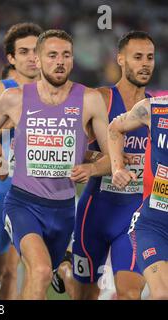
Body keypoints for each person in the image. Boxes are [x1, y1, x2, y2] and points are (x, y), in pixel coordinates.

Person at [0, 29, 111, 299]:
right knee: (39, 270)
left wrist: (91, 168)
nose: (60, 61)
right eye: (52, 55)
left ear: (73, 61)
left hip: (63, 210)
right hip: (22, 203)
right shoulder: (14, 98)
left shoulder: (90, 100)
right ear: (38, 61)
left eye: (66, 55)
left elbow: (113, 160)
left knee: (47, 270)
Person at [72, 31, 155, 300]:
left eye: (150, 58)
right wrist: (109, 161)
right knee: (84, 295)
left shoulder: (157, 110)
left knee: (130, 293)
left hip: (135, 218)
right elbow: (72, 149)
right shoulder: (101, 99)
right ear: (120, 59)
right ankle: (63, 269)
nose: (145, 64)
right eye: (138, 57)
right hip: (95, 212)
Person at [0, 22, 42, 300]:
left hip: (34, 194)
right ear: (11, 58)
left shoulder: (54, 90)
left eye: (37, 50)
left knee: (26, 268)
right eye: (24, 51)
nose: (32, 57)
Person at [108, 97, 168, 299]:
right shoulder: (154, 108)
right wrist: (117, 168)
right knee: (162, 294)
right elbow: (115, 128)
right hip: (153, 224)